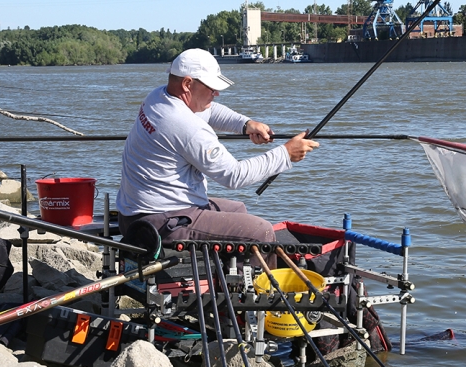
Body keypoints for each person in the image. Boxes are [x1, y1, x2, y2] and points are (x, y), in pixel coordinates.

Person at [116, 48, 318, 264]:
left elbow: (210, 110)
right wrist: (286, 154)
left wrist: (246, 124)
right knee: (261, 232)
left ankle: (230, 276)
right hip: (156, 223)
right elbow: (234, 176)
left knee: (239, 210)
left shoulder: (159, 96)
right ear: (187, 84)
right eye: (211, 87)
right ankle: (255, 293)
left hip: (134, 212)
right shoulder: (186, 126)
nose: (216, 93)